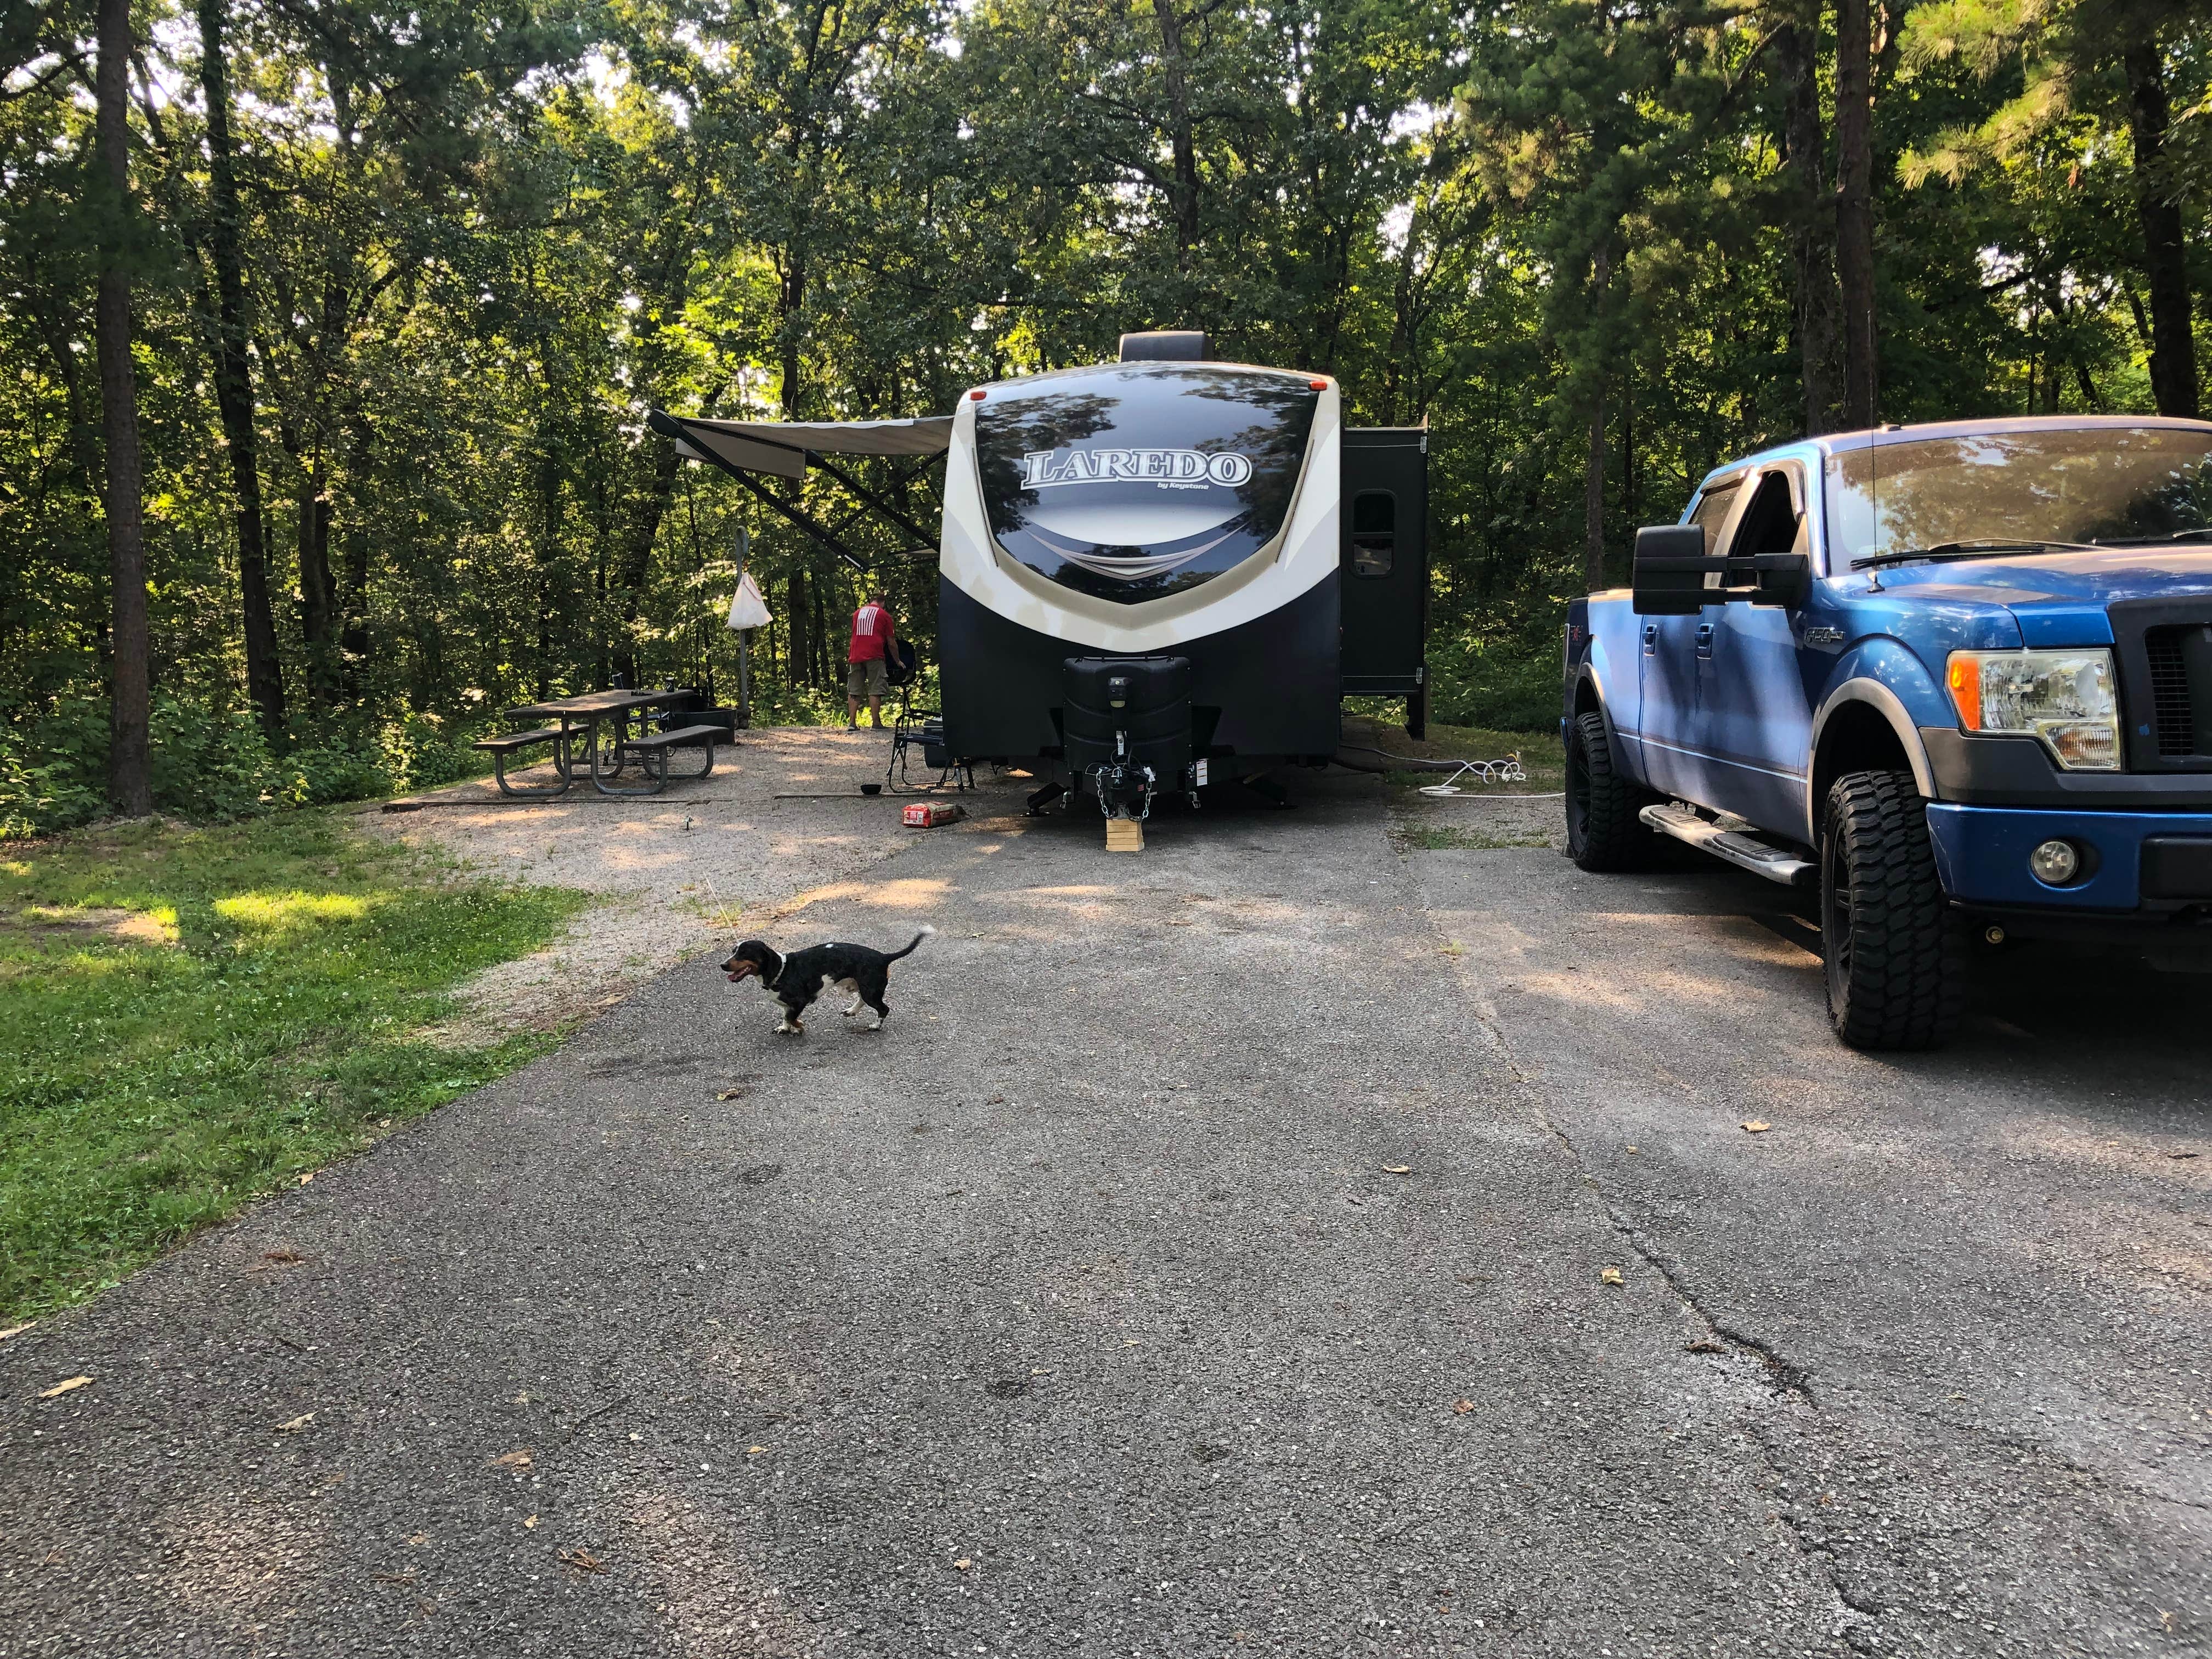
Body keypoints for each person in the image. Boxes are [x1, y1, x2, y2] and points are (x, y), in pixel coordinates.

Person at [846, 590, 897, 729]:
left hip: (855, 654)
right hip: (874, 655)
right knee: (875, 688)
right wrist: (897, 660)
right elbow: (891, 641)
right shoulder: (884, 615)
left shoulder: (857, 614)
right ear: (883, 602)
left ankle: (852, 723)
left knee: (855, 689)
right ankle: (876, 723)